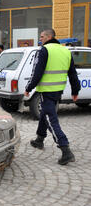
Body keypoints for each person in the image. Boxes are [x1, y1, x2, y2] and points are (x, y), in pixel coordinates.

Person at [24, 29, 80, 166]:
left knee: (50, 118)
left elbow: (37, 72)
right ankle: (39, 139)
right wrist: (75, 90)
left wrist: (28, 88)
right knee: (45, 113)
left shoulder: (44, 50)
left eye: (42, 37)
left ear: (49, 37)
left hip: (47, 91)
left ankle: (65, 149)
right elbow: (72, 73)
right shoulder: (65, 51)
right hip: (58, 90)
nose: (40, 39)